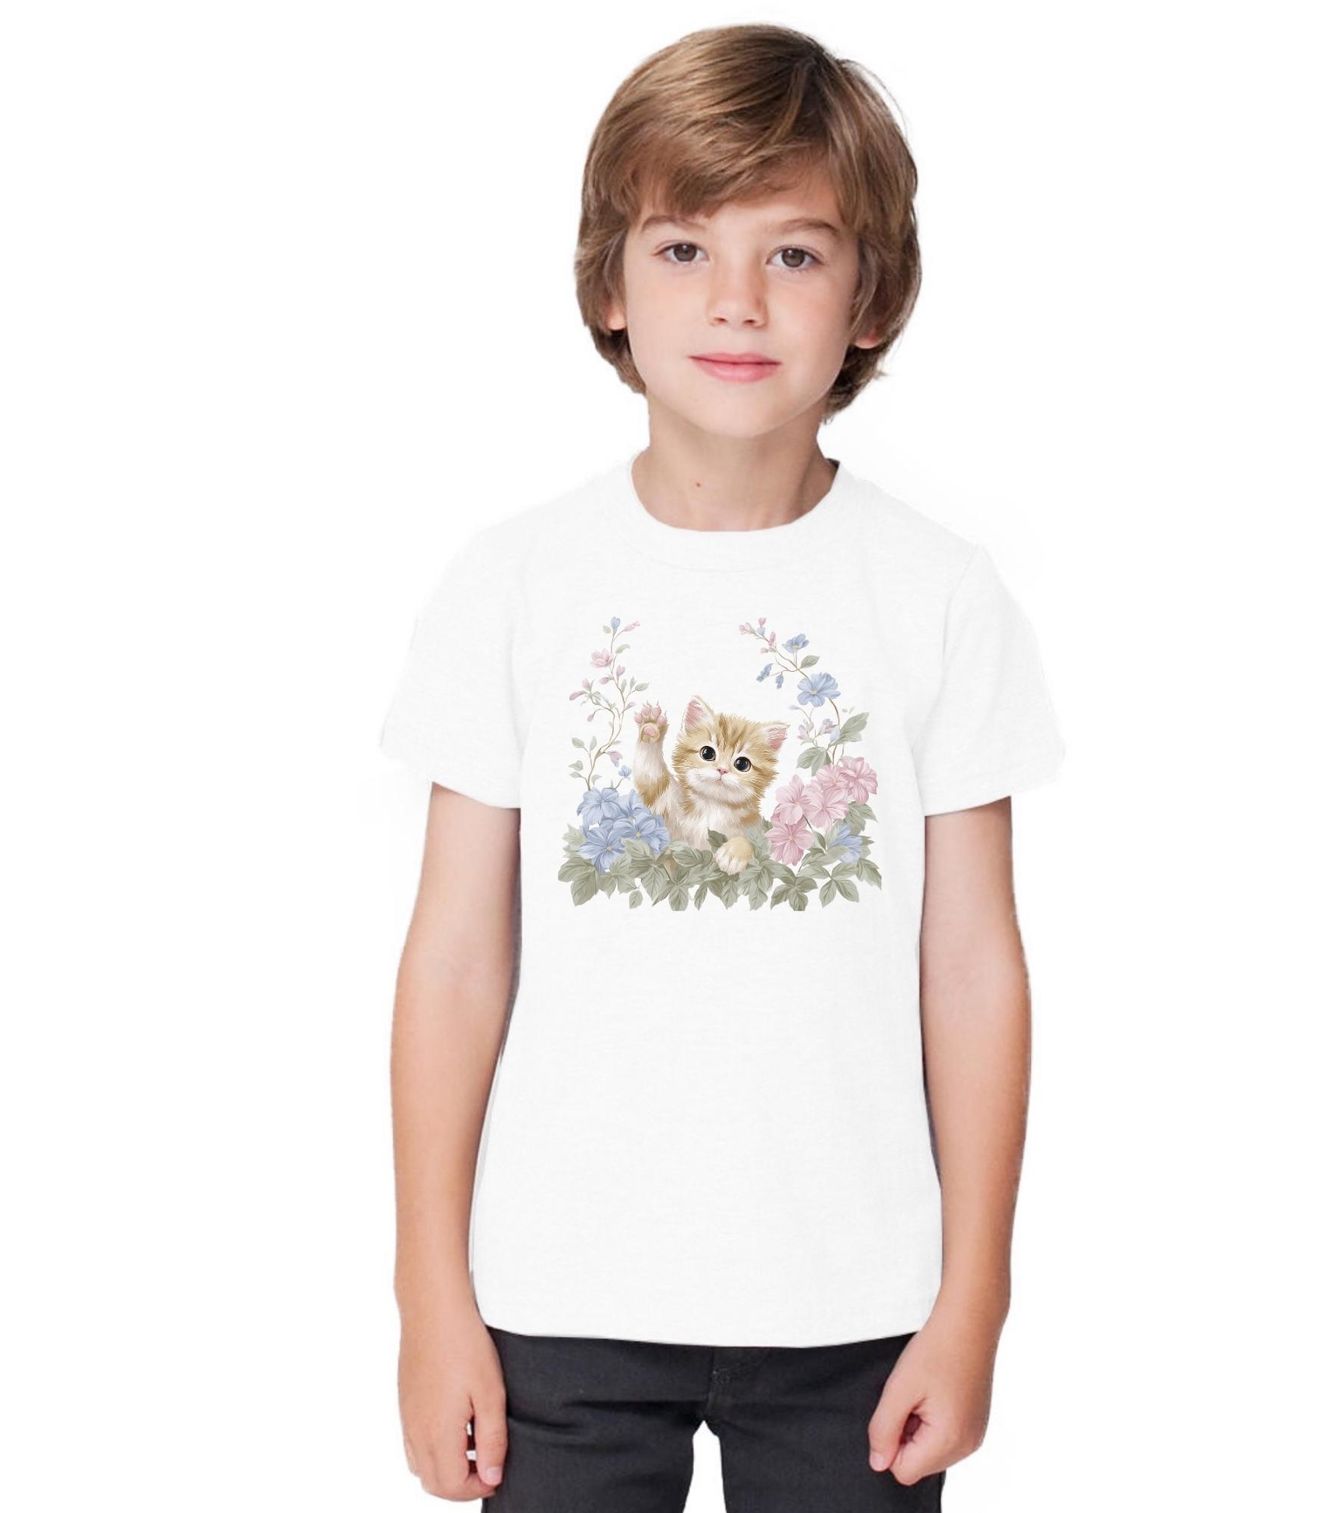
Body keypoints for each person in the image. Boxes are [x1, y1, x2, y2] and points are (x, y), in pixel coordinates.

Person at [380, 23, 1066, 1511]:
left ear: (870, 296)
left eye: (796, 254)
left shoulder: (939, 595)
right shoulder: (514, 585)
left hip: (857, 1301)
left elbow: (973, 968)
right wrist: (430, 1296)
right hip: (556, 1290)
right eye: (684, 247)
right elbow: (452, 962)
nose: (738, 300)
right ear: (609, 286)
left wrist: (976, 1300)